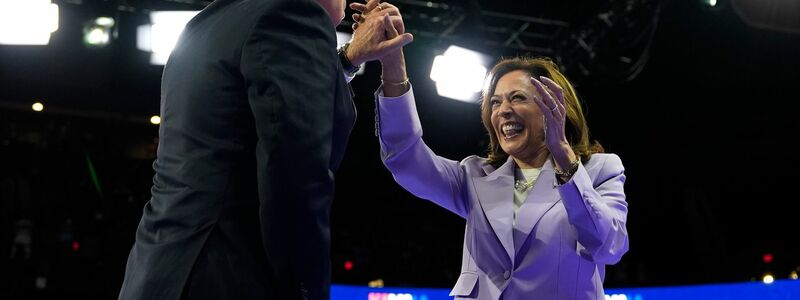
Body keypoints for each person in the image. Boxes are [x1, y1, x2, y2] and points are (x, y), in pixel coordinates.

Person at [118, 0, 411, 299]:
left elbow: (256, 102)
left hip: (158, 272)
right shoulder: (293, 14)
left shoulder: (207, 22)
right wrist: (305, 290)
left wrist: (347, 58)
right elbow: (296, 178)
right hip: (225, 276)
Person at [353, 5, 629, 298]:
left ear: (556, 107)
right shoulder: (474, 176)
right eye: (495, 103)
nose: (504, 111)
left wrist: (563, 155)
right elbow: (404, 156)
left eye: (518, 98)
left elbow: (609, 245)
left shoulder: (599, 170)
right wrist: (393, 64)